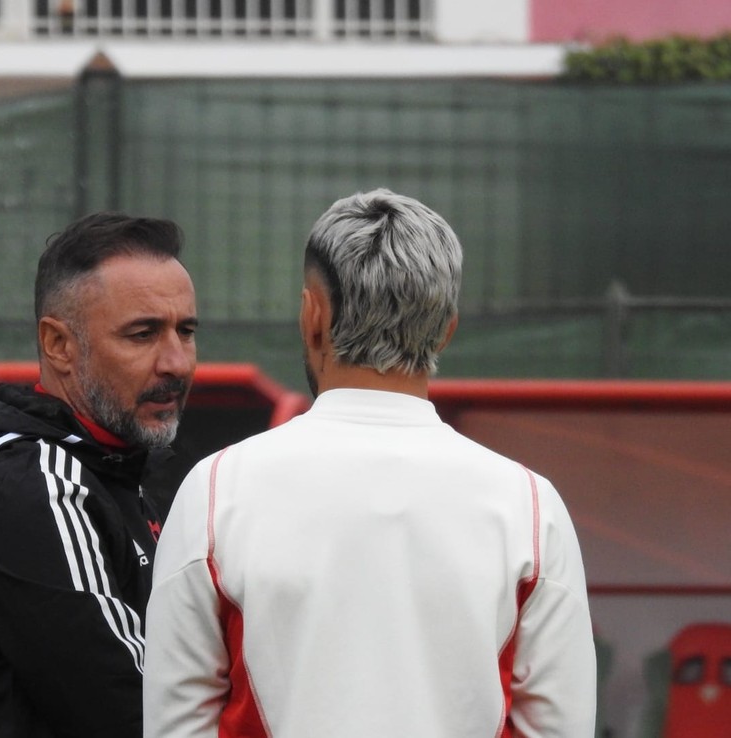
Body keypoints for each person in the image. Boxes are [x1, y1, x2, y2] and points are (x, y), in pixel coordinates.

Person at [142, 189, 597, 737]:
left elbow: (175, 724)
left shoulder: (215, 491)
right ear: (446, 329)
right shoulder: (530, 507)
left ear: (312, 316)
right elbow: (558, 726)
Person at [0, 211, 198, 738]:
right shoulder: (37, 487)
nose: (176, 362)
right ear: (58, 345)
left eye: (186, 330)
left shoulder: (108, 475)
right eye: (143, 334)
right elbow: (145, 717)